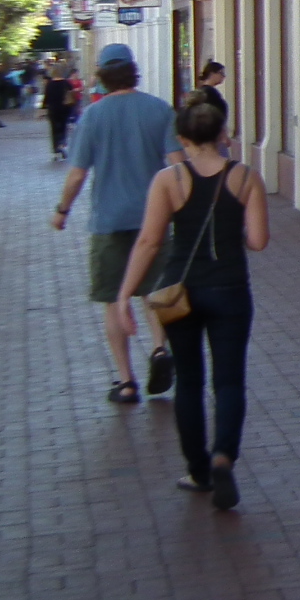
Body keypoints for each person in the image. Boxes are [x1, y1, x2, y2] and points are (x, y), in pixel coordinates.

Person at [115, 90, 268, 510]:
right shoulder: (245, 177)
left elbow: (149, 241)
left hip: (179, 292)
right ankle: (223, 456)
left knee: (189, 381)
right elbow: (258, 241)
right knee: (230, 380)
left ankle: (198, 470)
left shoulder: (169, 180)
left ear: (182, 139)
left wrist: (125, 294)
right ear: (222, 133)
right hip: (230, 289)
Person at [49, 44, 184, 402]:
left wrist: (62, 210)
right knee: (156, 292)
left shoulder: (93, 116)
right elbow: (177, 163)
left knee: (112, 298)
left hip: (108, 221)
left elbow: (78, 174)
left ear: (102, 76)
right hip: (153, 219)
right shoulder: (159, 109)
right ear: (133, 71)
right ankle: (159, 348)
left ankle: (126, 382)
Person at [41, 61, 73, 160]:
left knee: (54, 129)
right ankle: (62, 144)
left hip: (53, 109)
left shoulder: (50, 84)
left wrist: (43, 108)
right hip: (64, 109)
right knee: (63, 127)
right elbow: (71, 95)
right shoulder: (66, 83)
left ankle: (56, 149)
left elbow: (46, 98)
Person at [196, 61, 231, 150]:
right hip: (214, 137)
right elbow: (215, 115)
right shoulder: (210, 93)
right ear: (212, 74)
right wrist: (223, 134)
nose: (223, 76)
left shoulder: (204, 92)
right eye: (221, 73)